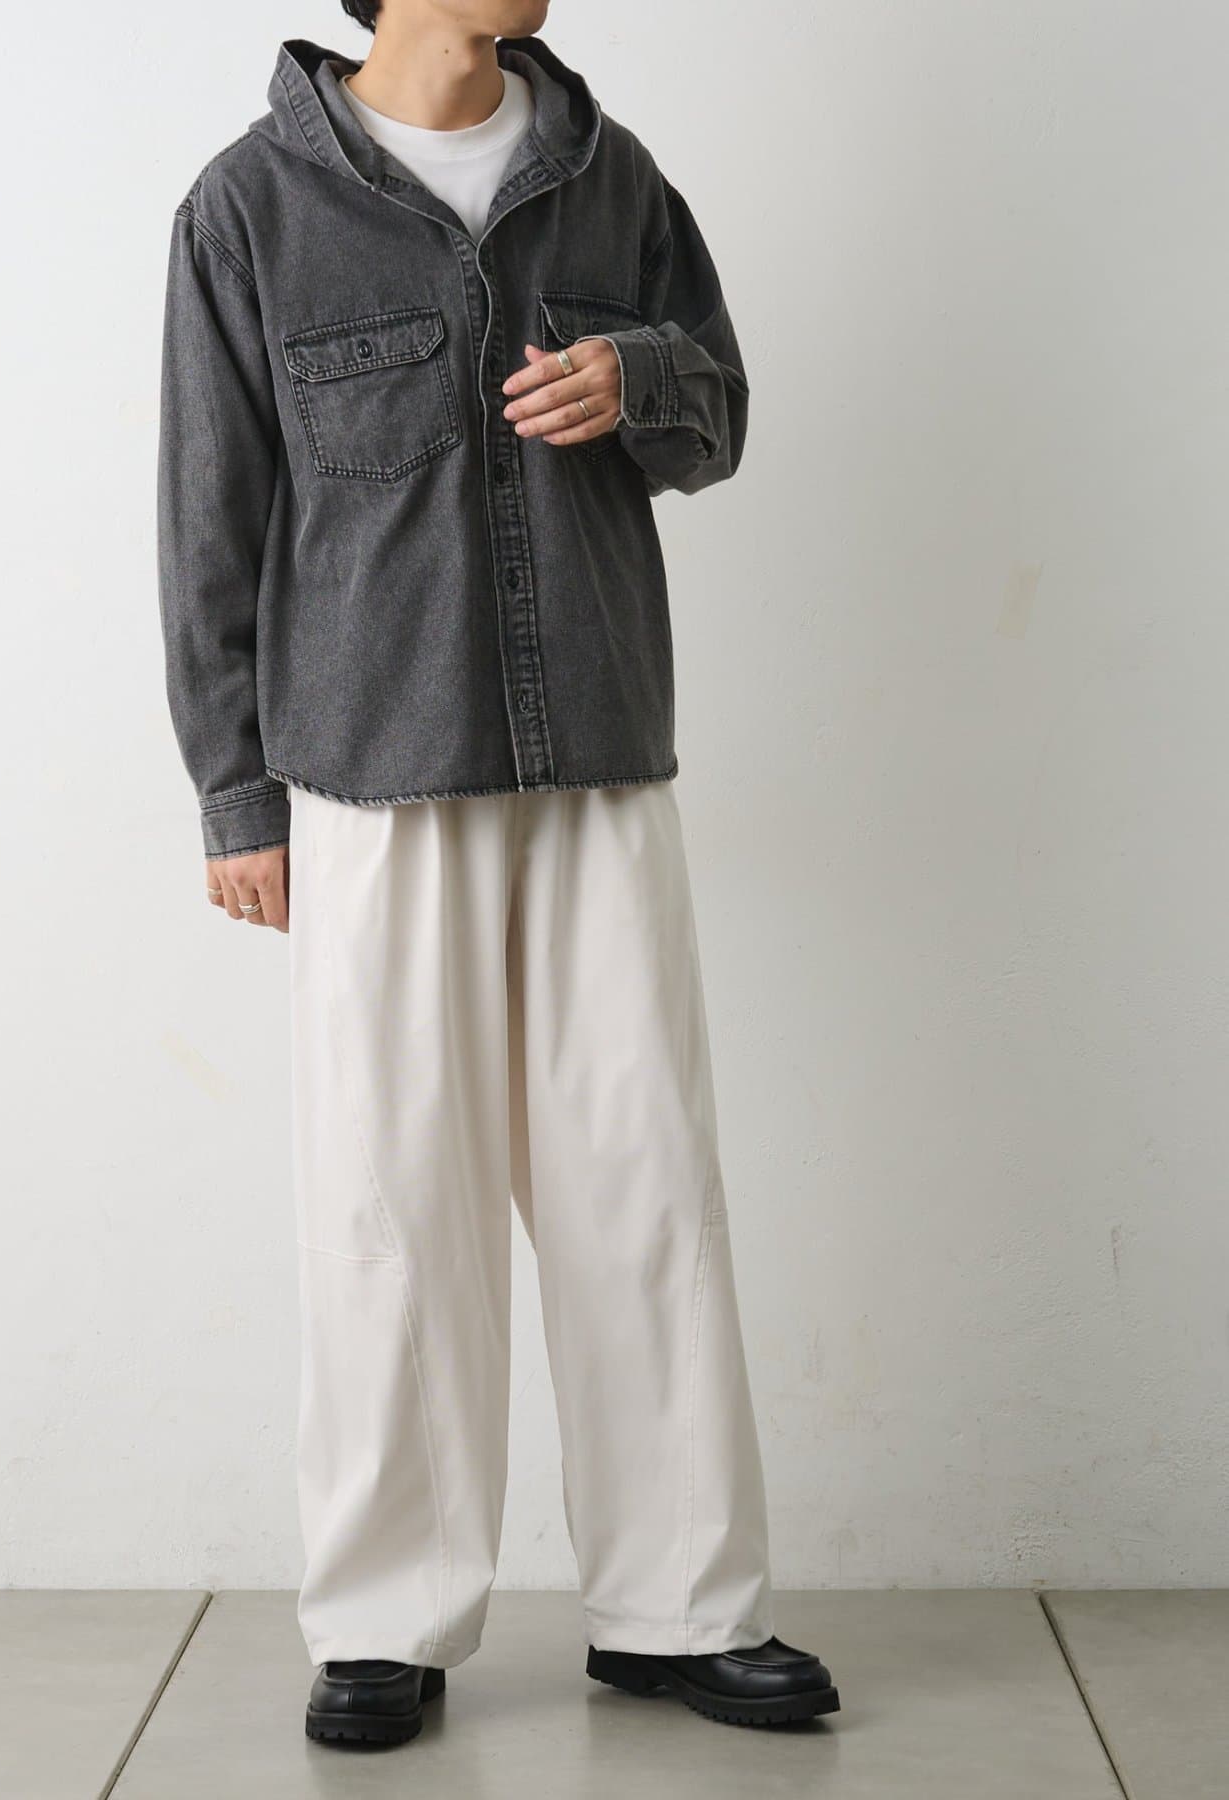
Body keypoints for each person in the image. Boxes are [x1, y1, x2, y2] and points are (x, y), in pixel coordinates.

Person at [156, 0, 840, 1750]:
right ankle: (385, 1618)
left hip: (598, 749)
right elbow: (211, 516)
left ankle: (680, 1610)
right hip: (374, 770)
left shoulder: (612, 178)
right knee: (389, 1199)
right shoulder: (249, 205)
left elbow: (721, 417)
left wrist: (643, 383)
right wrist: (237, 797)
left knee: (645, 1178)